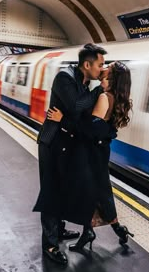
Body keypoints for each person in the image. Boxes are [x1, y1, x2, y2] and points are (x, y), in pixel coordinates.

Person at [47, 61, 134, 252]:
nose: (103, 67)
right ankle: (102, 231)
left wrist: (62, 120)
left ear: (111, 77)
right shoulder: (115, 97)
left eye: (107, 67)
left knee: (92, 192)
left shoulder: (104, 97)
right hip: (99, 151)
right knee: (96, 192)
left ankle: (102, 231)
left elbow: (88, 130)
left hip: (90, 153)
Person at [33, 44, 107, 266]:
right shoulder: (64, 78)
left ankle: (60, 229)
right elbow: (76, 108)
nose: (102, 69)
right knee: (51, 192)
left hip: (68, 144)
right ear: (87, 64)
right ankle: (50, 244)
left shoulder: (84, 84)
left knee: (63, 189)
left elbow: (79, 120)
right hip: (52, 143)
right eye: (100, 65)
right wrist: (99, 89)